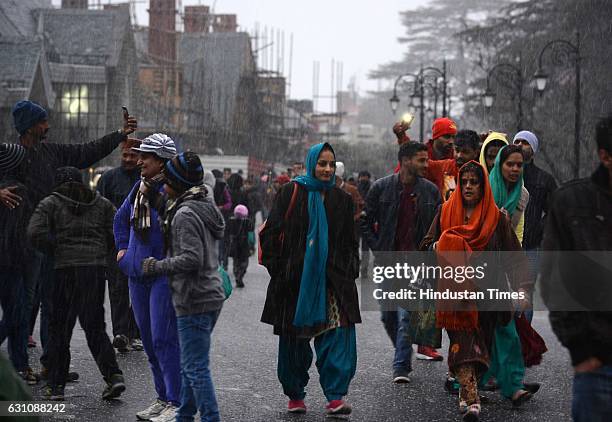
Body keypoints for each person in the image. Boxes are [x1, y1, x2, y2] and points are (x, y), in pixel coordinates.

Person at [0, 100, 137, 383]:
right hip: (14, 247)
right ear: (28, 127)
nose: (47, 126)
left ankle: (53, 366)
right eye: (42, 122)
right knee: (19, 309)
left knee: (51, 308)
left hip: (47, 246)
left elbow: (86, 152)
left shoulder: (50, 152)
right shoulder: (10, 156)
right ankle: (21, 367)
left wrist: (119, 136)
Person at [420, 161, 533, 421]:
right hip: (455, 295)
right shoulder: (445, 212)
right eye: (465, 182)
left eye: (475, 182)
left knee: (483, 350)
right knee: (464, 346)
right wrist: (438, 245)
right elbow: (425, 246)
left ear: (483, 186)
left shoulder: (496, 219)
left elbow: (513, 257)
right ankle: (472, 401)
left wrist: (522, 289)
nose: (469, 187)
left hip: (488, 296)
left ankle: (466, 392)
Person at [260, 142, 361, 417]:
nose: (327, 169)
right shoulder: (292, 192)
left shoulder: (342, 200)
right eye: (322, 163)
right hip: (296, 283)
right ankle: (295, 394)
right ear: (311, 163)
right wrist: (281, 269)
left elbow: (351, 242)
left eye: (331, 164)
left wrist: (350, 269)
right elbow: (271, 233)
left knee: (338, 336)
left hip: (334, 284)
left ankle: (335, 396)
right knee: (294, 342)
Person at [27, 166, 125, 401]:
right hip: (92, 271)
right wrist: (101, 251)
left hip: (63, 272)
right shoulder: (100, 203)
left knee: (59, 328)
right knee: (95, 327)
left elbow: (34, 233)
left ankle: (55, 385)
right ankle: (113, 376)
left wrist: (55, 249)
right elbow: (117, 228)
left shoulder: (50, 203)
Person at [141, 152, 226, 422]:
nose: (163, 185)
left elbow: (192, 258)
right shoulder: (202, 203)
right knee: (192, 364)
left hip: (195, 297)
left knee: (195, 367)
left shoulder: (185, 214)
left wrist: (157, 266)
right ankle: (184, 415)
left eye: (167, 180)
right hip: (209, 294)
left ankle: (211, 417)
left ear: (177, 183)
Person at [541, 115, 612, 422]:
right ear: (605, 156)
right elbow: (556, 280)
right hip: (599, 361)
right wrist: (582, 350)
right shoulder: (572, 202)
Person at [113, 134, 181, 422]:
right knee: (150, 343)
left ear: (162, 161)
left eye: (147, 157)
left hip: (163, 276)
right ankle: (162, 397)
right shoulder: (139, 188)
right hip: (137, 275)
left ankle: (177, 402)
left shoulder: (173, 190)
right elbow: (120, 218)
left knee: (164, 339)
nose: (139, 160)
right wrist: (123, 252)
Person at [362, 141, 442, 380]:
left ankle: (401, 366)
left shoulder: (430, 191)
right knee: (388, 316)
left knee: (406, 316)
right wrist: (377, 247)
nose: (426, 164)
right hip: (388, 263)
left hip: (417, 264)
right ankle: (401, 351)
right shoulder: (381, 188)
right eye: (421, 160)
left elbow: (439, 225)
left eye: (426, 160)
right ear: (405, 161)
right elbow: (365, 221)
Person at [97, 138, 142, 353]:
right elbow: (99, 209)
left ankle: (135, 331)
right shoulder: (108, 178)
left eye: (133, 155)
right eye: (125, 155)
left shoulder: (145, 180)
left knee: (141, 288)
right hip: (114, 243)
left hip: (141, 243)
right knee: (117, 289)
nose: (129, 159)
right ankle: (121, 333)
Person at [513, 130, 557, 323]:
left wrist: (540, 228)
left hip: (531, 245)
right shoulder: (506, 174)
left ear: (534, 149)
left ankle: (524, 340)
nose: (521, 145)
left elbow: (554, 211)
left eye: (525, 143)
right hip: (507, 243)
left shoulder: (544, 179)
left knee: (525, 293)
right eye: (517, 141)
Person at [0, 144, 32, 382]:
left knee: (17, 313)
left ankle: (20, 364)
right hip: (11, 262)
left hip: (9, 260)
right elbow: (14, 234)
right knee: (17, 313)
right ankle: (19, 365)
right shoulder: (17, 190)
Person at [489, 145, 530, 244]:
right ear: (499, 164)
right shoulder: (485, 189)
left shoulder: (523, 195)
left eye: (519, 165)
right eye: (510, 164)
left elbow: (518, 229)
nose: (515, 169)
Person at [426, 129, 481, 201]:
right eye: (457, 150)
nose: (459, 155)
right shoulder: (445, 166)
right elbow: (418, 163)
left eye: (465, 152)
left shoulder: (482, 173)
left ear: (476, 153)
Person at [228, 204, 254, 288]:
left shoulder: (231, 221)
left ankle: (237, 276)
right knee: (244, 263)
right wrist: (252, 246)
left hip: (235, 245)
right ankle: (240, 276)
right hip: (244, 245)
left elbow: (227, 234)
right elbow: (251, 236)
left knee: (236, 262)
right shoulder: (248, 222)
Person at [357, 170, 372, 277]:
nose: (363, 179)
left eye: (364, 177)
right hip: (359, 221)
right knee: (358, 246)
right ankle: (361, 267)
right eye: (362, 177)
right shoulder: (356, 189)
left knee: (363, 247)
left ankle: (363, 268)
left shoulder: (371, 189)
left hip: (365, 222)